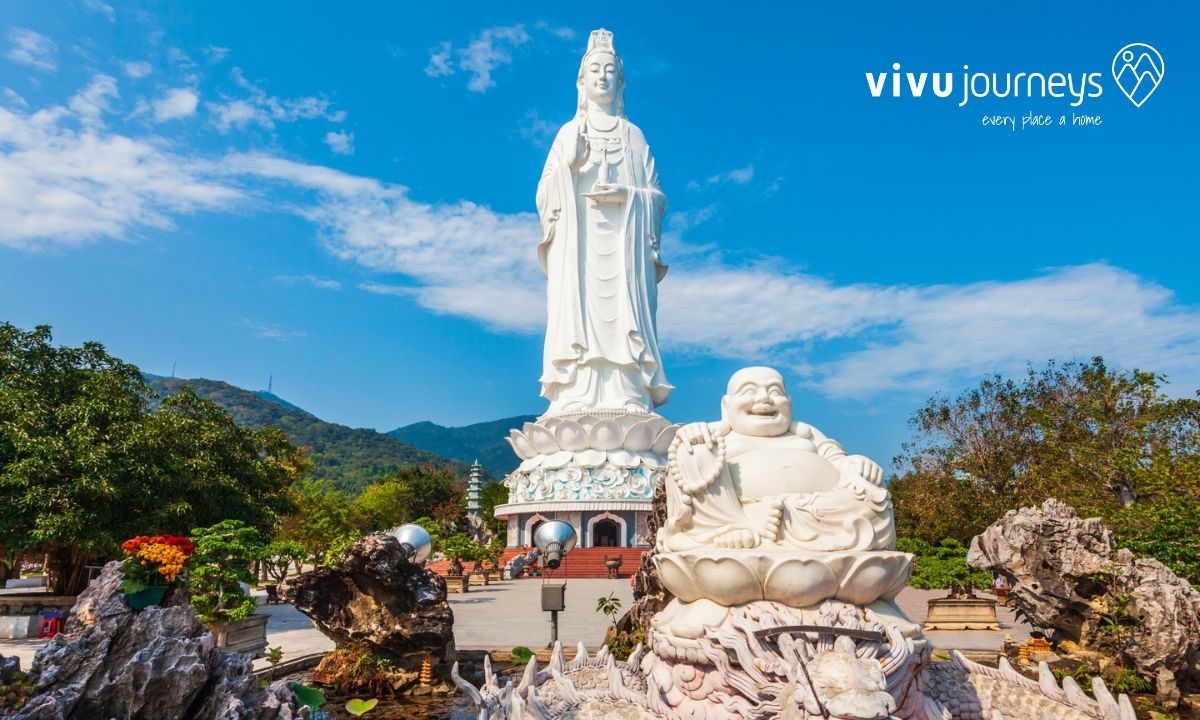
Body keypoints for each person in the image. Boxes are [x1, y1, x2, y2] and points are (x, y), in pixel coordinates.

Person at [536, 28, 673, 414]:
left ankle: (628, 390)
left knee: (624, 317)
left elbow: (658, 197)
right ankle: (576, 391)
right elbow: (544, 194)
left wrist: (628, 197)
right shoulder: (568, 133)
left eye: (609, 69)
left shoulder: (634, 137)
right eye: (594, 69)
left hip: (624, 249)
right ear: (581, 81)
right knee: (577, 314)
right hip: (579, 248)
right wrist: (570, 166)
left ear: (620, 80)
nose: (602, 76)